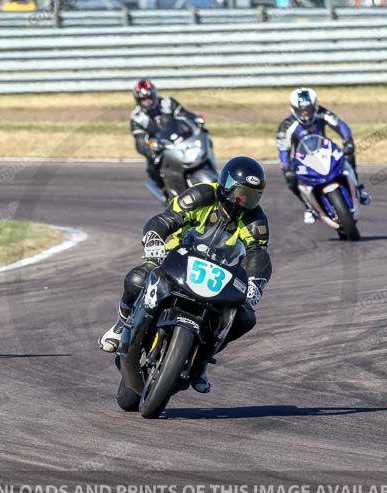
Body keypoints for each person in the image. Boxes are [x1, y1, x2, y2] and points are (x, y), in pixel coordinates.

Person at [99, 156, 272, 393]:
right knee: (137, 279)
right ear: (227, 186)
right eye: (242, 193)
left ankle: (201, 362)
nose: (246, 201)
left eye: (254, 196)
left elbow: (257, 253)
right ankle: (121, 325)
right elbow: (166, 219)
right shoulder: (201, 196)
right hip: (177, 258)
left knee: (245, 318)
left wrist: (255, 282)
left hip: (218, 275)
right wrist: (154, 240)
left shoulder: (256, 219)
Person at [277, 87, 371, 224]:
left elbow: (340, 124)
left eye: (308, 109)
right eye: (301, 110)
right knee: (291, 180)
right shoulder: (287, 125)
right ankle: (309, 208)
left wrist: (347, 140)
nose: (305, 113)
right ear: (294, 109)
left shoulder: (322, 113)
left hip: (325, 150)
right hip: (303, 159)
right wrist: (286, 168)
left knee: (349, 155)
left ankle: (358, 190)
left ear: (314, 106)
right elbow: (283, 149)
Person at [130, 79, 205, 195]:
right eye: (143, 99)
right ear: (138, 100)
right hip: (160, 150)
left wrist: (196, 120)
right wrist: (149, 148)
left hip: (181, 141)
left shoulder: (167, 103)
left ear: (154, 94)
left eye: (149, 97)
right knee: (153, 170)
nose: (147, 101)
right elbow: (140, 141)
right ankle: (168, 195)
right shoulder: (137, 117)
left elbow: (185, 115)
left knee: (205, 140)